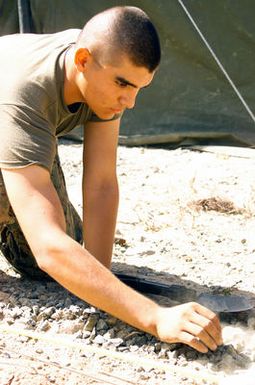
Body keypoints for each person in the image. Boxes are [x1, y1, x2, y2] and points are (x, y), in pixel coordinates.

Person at [0, 6, 222, 353]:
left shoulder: (102, 63)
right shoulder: (23, 95)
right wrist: (154, 318)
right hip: (6, 118)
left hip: (13, 134)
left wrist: (100, 286)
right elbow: (48, 248)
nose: (129, 102)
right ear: (83, 61)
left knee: (69, 262)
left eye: (139, 89)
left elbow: (102, 181)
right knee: (54, 255)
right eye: (123, 85)